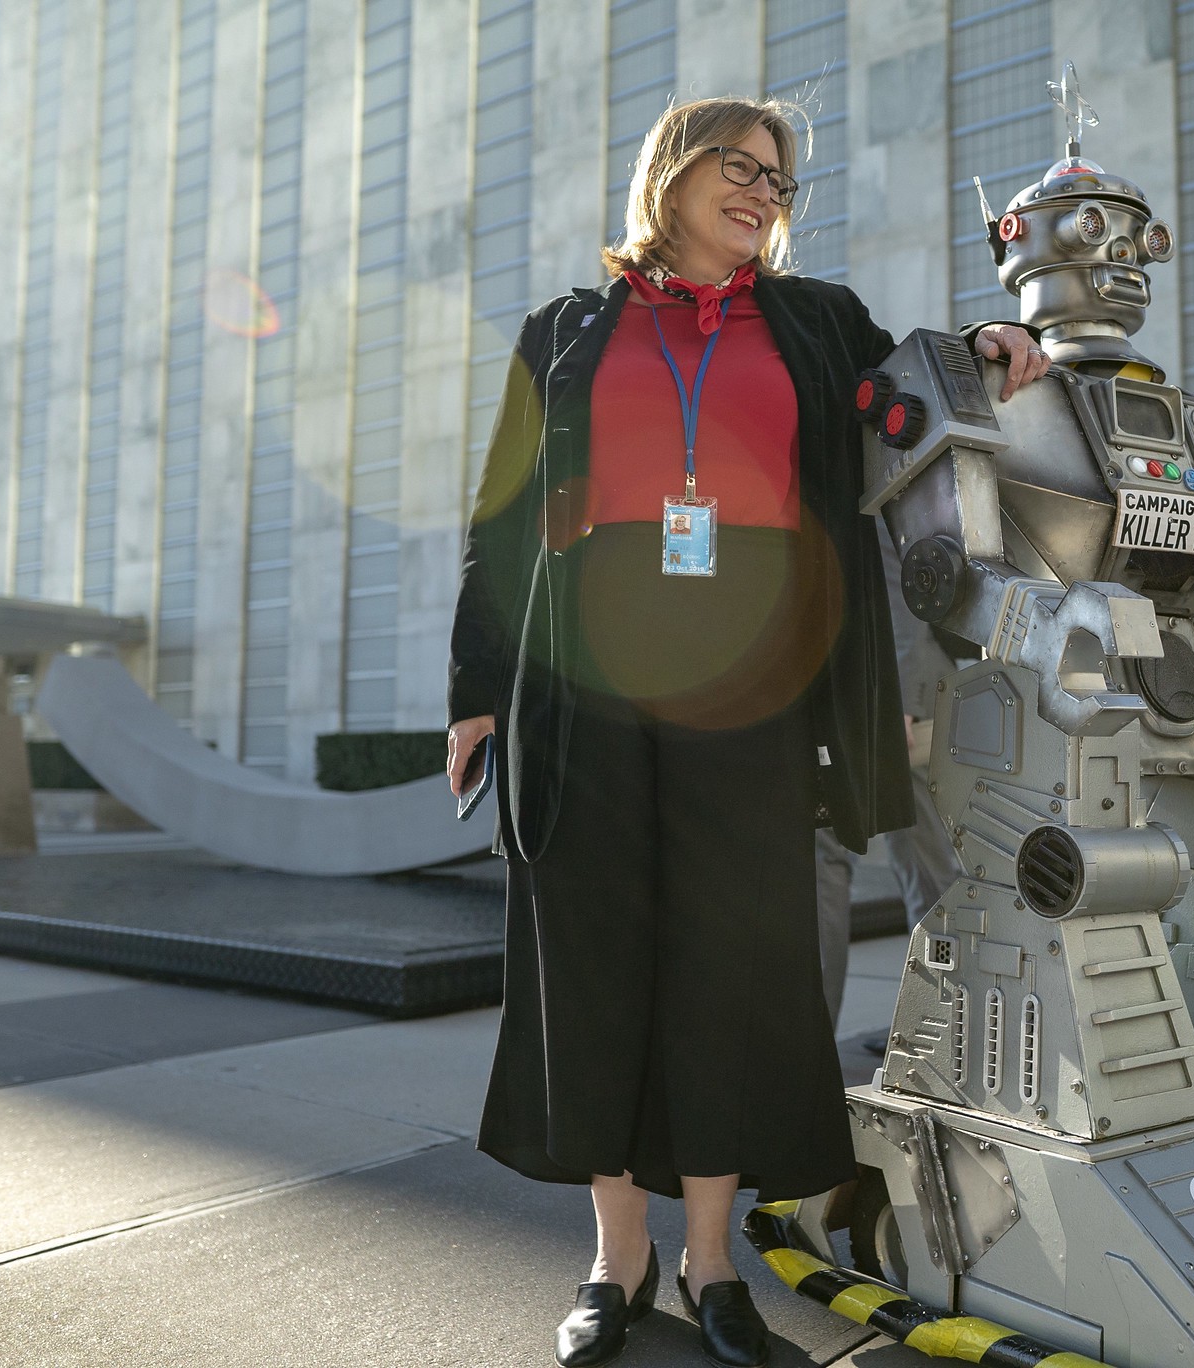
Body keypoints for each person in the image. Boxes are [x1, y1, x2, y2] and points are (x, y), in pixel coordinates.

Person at [444, 97, 1049, 1368]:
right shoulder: (567, 328)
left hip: (754, 673)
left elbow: (910, 390)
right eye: (741, 165)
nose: (765, 192)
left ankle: (712, 1260)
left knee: (733, 962)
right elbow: (501, 521)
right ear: (671, 170)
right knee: (593, 960)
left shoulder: (815, 320)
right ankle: (619, 1258)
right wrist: (476, 687)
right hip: (586, 676)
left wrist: (992, 338)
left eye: (779, 179)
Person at [814, 533, 965, 1033]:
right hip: (881, 693)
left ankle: (950, 1031)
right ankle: (948, 1032)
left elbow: (900, 576)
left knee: (926, 875)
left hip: (890, 701)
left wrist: (895, 698)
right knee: (927, 872)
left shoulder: (862, 460)